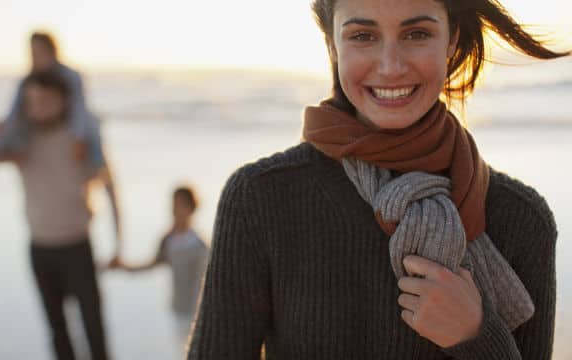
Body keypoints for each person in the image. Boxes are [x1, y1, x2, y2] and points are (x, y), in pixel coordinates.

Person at [188, 0, 568, 359]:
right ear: (332, 44)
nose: (390, 67)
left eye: (416, 34)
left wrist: (476, 337)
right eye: (362, 36)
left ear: (451, 39)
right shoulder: (260, 199)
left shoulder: (520, 218)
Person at [0, 71, 122, 360]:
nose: (39, 106)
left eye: (47, 99)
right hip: (40, 248)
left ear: (64, 101)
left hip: (78, 245)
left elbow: (111, 185)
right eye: (32, 101)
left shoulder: (80, 139)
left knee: (94, 328)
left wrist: (118, 243)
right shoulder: (21, 142)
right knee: (57, 330)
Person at [0, 31, 104, 168]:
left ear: (52, 51)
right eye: (33, 53)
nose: (35, 57)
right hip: (37, 119)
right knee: (3, 127)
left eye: (39, 52)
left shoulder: (70, 75)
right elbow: (15, 108)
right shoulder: (27, 78)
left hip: (67, 117)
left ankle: (97, 166)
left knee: (92, 123)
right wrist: (5, 126)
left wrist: (78, 137)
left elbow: (79, 107)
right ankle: (5, 151)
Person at [114, 187, 208, 350]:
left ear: (191, 208)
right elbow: (151, 264)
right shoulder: (168, 241)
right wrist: (125, 267)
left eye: (180, 204)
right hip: (179, 311)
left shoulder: (200, 244)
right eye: (174, 204)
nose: (175, 210)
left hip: (200, 313)